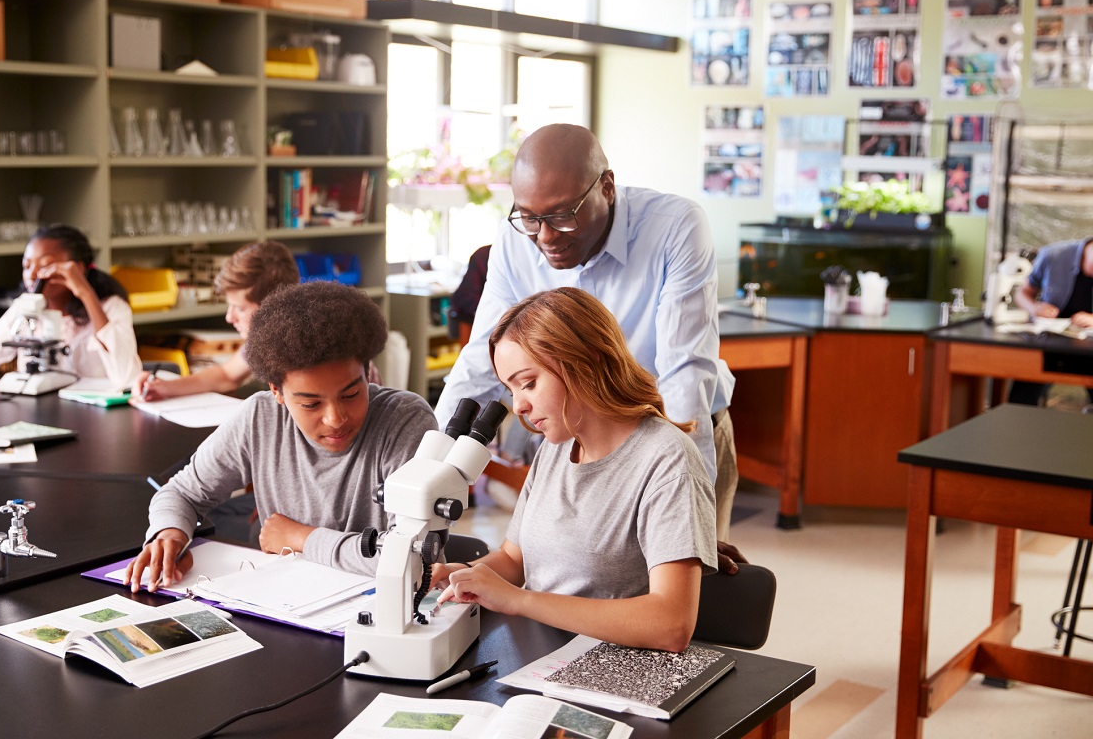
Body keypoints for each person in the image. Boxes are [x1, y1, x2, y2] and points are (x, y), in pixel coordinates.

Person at [433, 124, 743, 561]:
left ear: (608, 187)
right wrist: (432, 464)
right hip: (577, 438)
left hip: (674, 433)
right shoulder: (515, 241)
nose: (545, 236)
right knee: (580, 579)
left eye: (563, 215)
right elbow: (479, 363)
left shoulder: (675, 227)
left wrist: (690, 505)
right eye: (530, 217)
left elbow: (683, 376)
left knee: (678, 590)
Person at [431, 288, 718, 652]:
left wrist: (518, 601)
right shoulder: (556, 446)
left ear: (586, 360)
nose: (518, 405)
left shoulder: (667, 459)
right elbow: (514, 559)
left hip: (612, 668)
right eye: (510, 389)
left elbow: (670, 625)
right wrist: (462, 576)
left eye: (529, 383)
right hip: (541, 654)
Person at [125, 281, 437, 591]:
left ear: (367, 372)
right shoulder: (259, 417)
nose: (335, 418)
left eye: (351, 394)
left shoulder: (405, 422)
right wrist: (169, 533)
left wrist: (301, 537)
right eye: (310, 403)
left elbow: (411, 561)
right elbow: (183, 493)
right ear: (277, 391)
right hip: (285, 603)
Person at [0, 224, 141, 391]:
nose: (32, 275)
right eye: (27, 266)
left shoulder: (112, 308)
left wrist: (86, 293)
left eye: (45, 266)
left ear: (78, 269)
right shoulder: (24, 309)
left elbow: (127, 377)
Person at [131, 241, 299, 401]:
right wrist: (163, 387)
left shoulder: (302, 347)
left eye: (239, 308)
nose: (229, 317)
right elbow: (226, 375)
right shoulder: (263, 340)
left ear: (273, 307)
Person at [1009, 237, 1093, 406]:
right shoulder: (1053, 255)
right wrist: (1034, 308)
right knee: (1021, 399)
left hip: (1089, 346)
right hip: (1048, 340)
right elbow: (1022, 293)